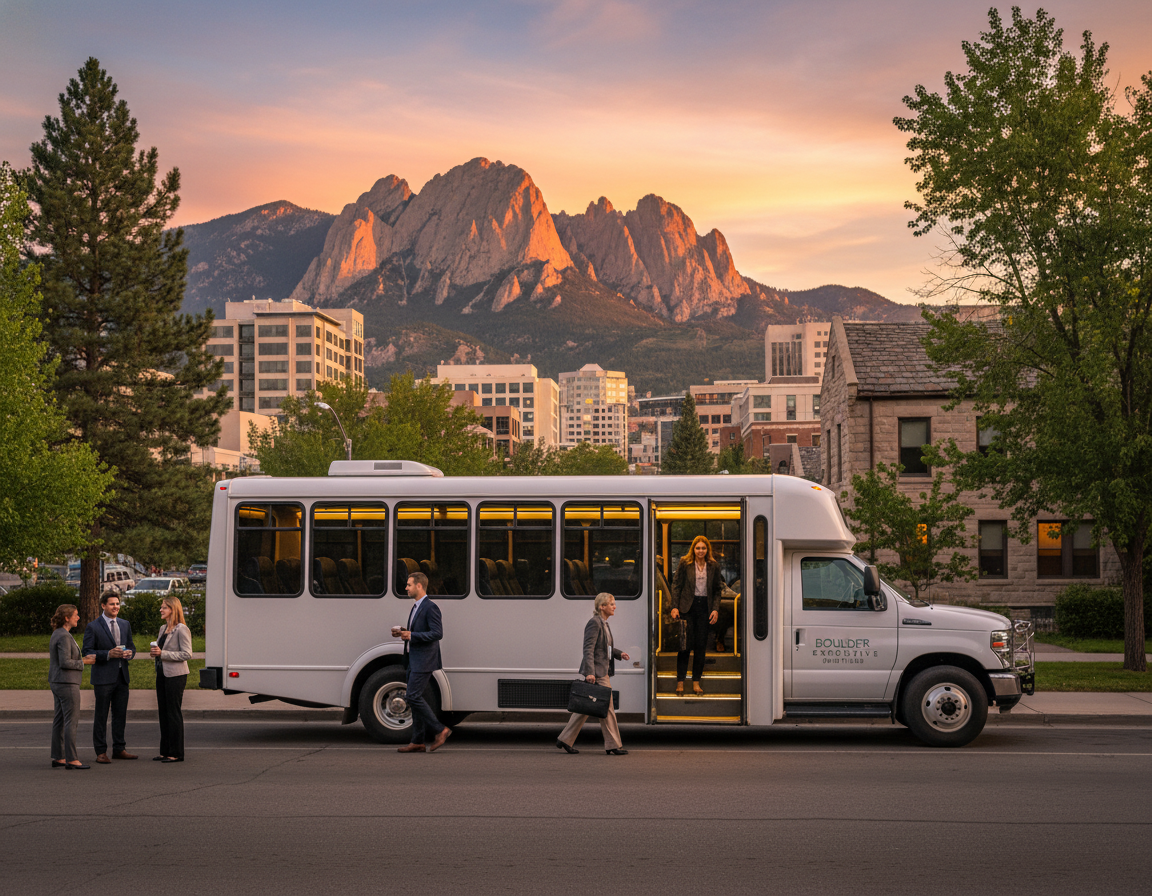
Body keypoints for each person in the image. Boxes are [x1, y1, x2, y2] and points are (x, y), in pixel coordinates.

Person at [556, 592, 630, 755]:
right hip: (597, 672)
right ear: (602, 606)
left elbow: (606, 647)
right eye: (611, 604)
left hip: (601, 670)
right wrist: (590, 672)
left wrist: (619, 654)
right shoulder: (594, 623)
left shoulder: (604, 623)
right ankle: (613, 745)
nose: (614, 607)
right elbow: (588, 648)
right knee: (607, 706)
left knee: (585, 707)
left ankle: (564, 739)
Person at [396, 572, 451, 753]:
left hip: (424, 660)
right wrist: (404, 632)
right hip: (414, 658)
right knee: (415, 698)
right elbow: (418, 631)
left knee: (412, 696)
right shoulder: (416, 607)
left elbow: (437, 633)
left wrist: (412, 635)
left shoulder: (430, 607)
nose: (406, 588)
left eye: (409, 585)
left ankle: (440, 729)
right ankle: (418, 741)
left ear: (419, 586)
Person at [82, 591, 138, 763]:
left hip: (122, 676)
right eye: (112, 604)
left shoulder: (125, 624)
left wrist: (130, 653)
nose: (116, 607)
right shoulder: (93, 626)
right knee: (101, 715)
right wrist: (107, 654)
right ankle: (100, 752)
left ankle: (119, 749)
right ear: (103, 605)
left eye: (118, 604)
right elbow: (87, 652)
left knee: (120, 715)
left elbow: (132, 647)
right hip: (103, 678)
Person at [670, 535, 722, 696]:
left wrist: (715, 609)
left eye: (703, 548)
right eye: (698, 548)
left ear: (707, 550)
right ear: (693, 549)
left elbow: (717, 589)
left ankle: (696, 682)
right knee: (685, 646)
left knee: (701, 646)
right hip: (687, 608)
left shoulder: (713, 565)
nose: (700, 551)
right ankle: (680, 682)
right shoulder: (685, 563)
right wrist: (674, 607)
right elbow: (676, 585)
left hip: (705, 608)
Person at [49, 604, 95, 769]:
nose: (78, 617)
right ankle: (72, 759)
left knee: (59, 719)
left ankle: (59, 756)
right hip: (67, 682)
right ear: (67, 618)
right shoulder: (64, 636)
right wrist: (85, 661)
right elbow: (65, 662)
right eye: (75, 615)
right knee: (71, 720)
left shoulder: (58, 633)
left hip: (57, 682)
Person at [150, 596, 192, 763]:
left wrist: (163, 654)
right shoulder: (163, 628)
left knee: (173, 713)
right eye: (161, 607)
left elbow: (187, 654)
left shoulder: (181, 629)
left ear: (173, 610)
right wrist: (155, 653)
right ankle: (165, 751)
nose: (161, 610)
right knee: (163, 711)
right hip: (162, 673)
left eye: (164, 608)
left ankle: (176, 753)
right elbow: (161, 650)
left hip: (176, 675)